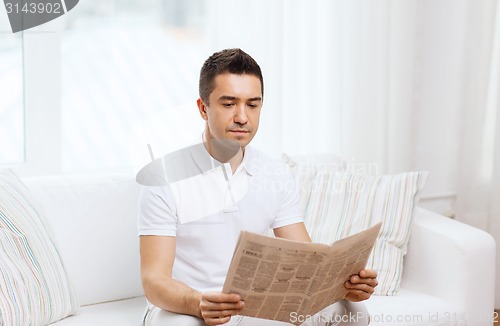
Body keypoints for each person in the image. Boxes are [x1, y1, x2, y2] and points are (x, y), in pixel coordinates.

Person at [137, 48, 378, 326]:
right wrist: (198, 303)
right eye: (229, 104)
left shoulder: (274, 172)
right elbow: (154, 281)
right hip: (185, 307)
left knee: (352, 311)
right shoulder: (164, 177)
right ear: (203, 108)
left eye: (252, 105)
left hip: (251, 306)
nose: (242, 117)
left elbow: (309, 262)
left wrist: (344, 285)